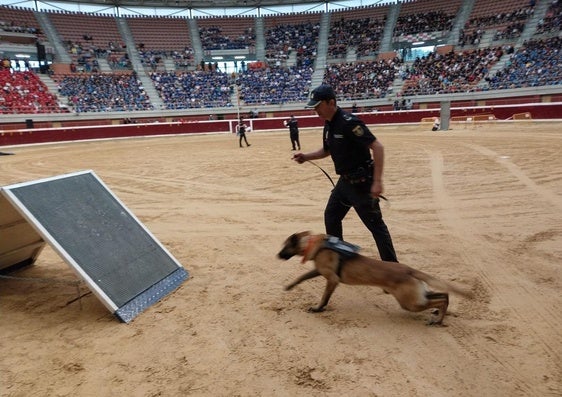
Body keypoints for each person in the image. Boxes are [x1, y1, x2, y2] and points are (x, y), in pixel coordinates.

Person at [292, 84, 397, 263]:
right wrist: (306, 156)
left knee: (376, 227)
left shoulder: (350, 122)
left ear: (331, 102)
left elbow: (377, 147)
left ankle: (393, 270)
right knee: (331, 216)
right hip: (345, 183)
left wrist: (377, 181)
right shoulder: (329, 125)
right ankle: (339, 260)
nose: (315, 110)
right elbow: (326, 151)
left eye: (318, 106)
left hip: (362, 184)